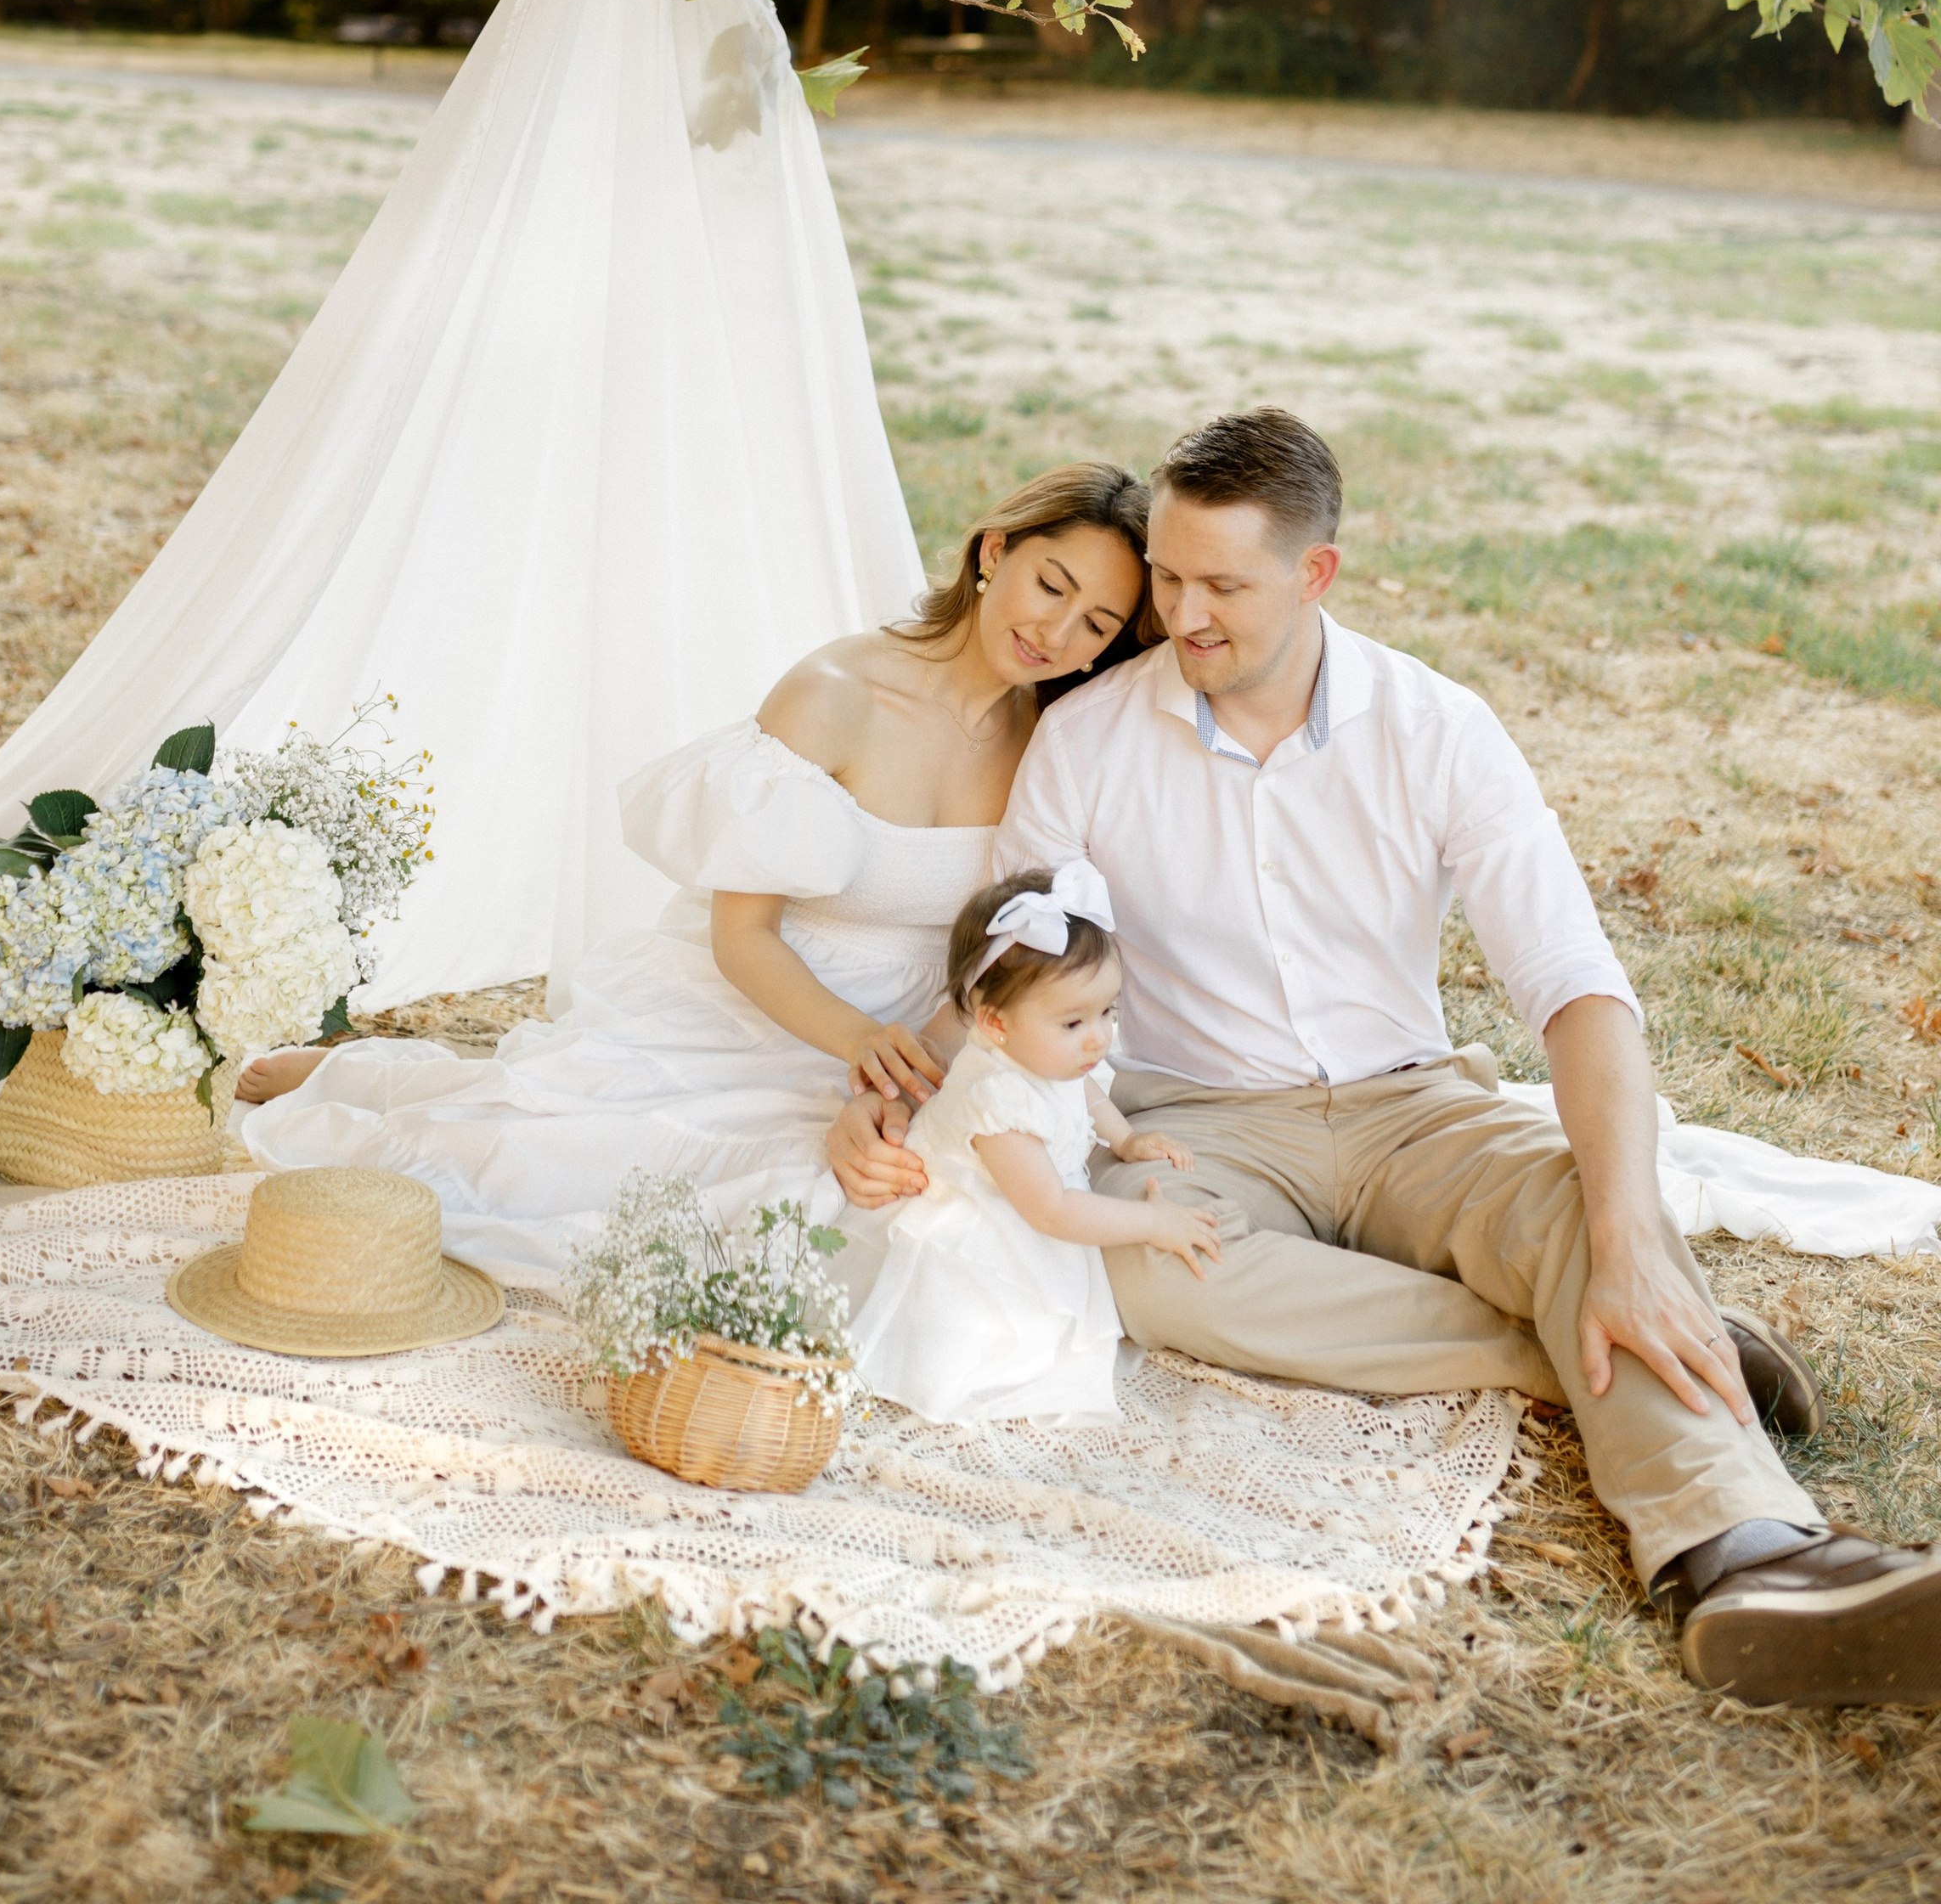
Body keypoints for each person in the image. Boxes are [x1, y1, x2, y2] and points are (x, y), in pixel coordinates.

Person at [828, 407, 1941, 1710]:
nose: (1181, 616)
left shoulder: (1437, 725)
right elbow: (1011, 978)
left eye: (1222, 587)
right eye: (1171, 578)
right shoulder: (1087, 742)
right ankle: (1582, 1338)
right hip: (1202, 1122)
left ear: (1316, 574)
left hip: (1415, 1105)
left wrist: (1628, 1239)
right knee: (1138, 1265)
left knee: (1585, 1203)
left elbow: (1578, 990)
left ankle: (1746, 1552)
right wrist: (891, 1102)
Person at [232, 465, 1155, 1280]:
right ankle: (371, 1084)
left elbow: (1019, 952)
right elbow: (742, 933)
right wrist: (855, 1043)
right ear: (994, 551)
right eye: (1050, 584)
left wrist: (926, 1060)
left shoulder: (1053, 742)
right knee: (536, 1160)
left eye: (1096, 624)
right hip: (774, 1000)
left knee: (893, 1216)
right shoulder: (837, 694)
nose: (1057, 631)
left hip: (933, 1030)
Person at [849, 860, 1222, 1423]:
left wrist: (1124, 1140)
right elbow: (1050, 1211)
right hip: (991, 1222)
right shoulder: (998, 1100)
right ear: (996, 1024)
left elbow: (1085, 1096)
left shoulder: (1049, 1053)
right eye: (1075, 1023)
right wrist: (1152, 1223)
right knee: (1010, 1347)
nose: (1098, 1037)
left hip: (1034, 1198)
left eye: (1108, 1012)